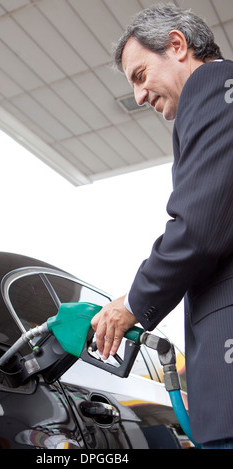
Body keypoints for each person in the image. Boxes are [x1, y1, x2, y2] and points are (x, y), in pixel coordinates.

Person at [91, 3, 233, 449]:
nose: (138, 96)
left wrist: (132, 302)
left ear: (177, 45)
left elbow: (199, 225)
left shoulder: (213, 86)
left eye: (139, 76)